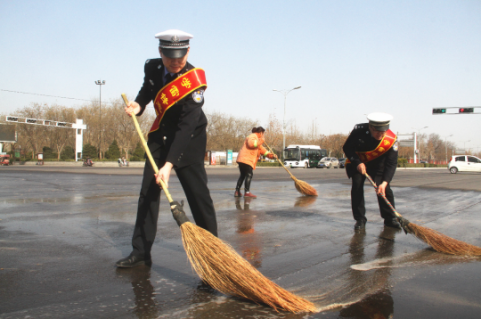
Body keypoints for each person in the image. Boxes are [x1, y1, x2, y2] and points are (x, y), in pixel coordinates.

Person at [117, 29, 218, 268]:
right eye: (170, 56)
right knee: (148, 195)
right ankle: (141, 252)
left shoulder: (194, 83)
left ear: (188, 51)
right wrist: (138, 105)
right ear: (160, 52)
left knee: (198, 197)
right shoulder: (152, 67)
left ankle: (213, 257)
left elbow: (186, 127)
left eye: (180, 57)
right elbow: (148, 91)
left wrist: (169, 165)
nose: (175, 62)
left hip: (189, 141)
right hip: (159, 137)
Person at [342, 113, 400, 230]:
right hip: (358, 163)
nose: (380, 134)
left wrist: (384, 182)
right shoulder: (358, 131)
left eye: (383, 132)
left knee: (385, 189)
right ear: (370, 127)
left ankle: (390, 218)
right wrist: (357, 162)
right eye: (377, 131)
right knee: (357, 185)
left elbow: (391, 163)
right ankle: (360, 219)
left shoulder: (391, 139)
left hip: (378, 165)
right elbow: (347, 148)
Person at [235, 127, 277, 199]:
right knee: (249, 174)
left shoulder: (258, 143)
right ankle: (247, 192)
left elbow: (264, 152)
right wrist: (261, 141)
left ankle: (237, 191)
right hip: (246, 159)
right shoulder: (253, 136)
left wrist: (272, 156)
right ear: (261, 133)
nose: (263, 136)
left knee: (243, 175)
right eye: (263, 134)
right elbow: (251, 144)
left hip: (242, 159)